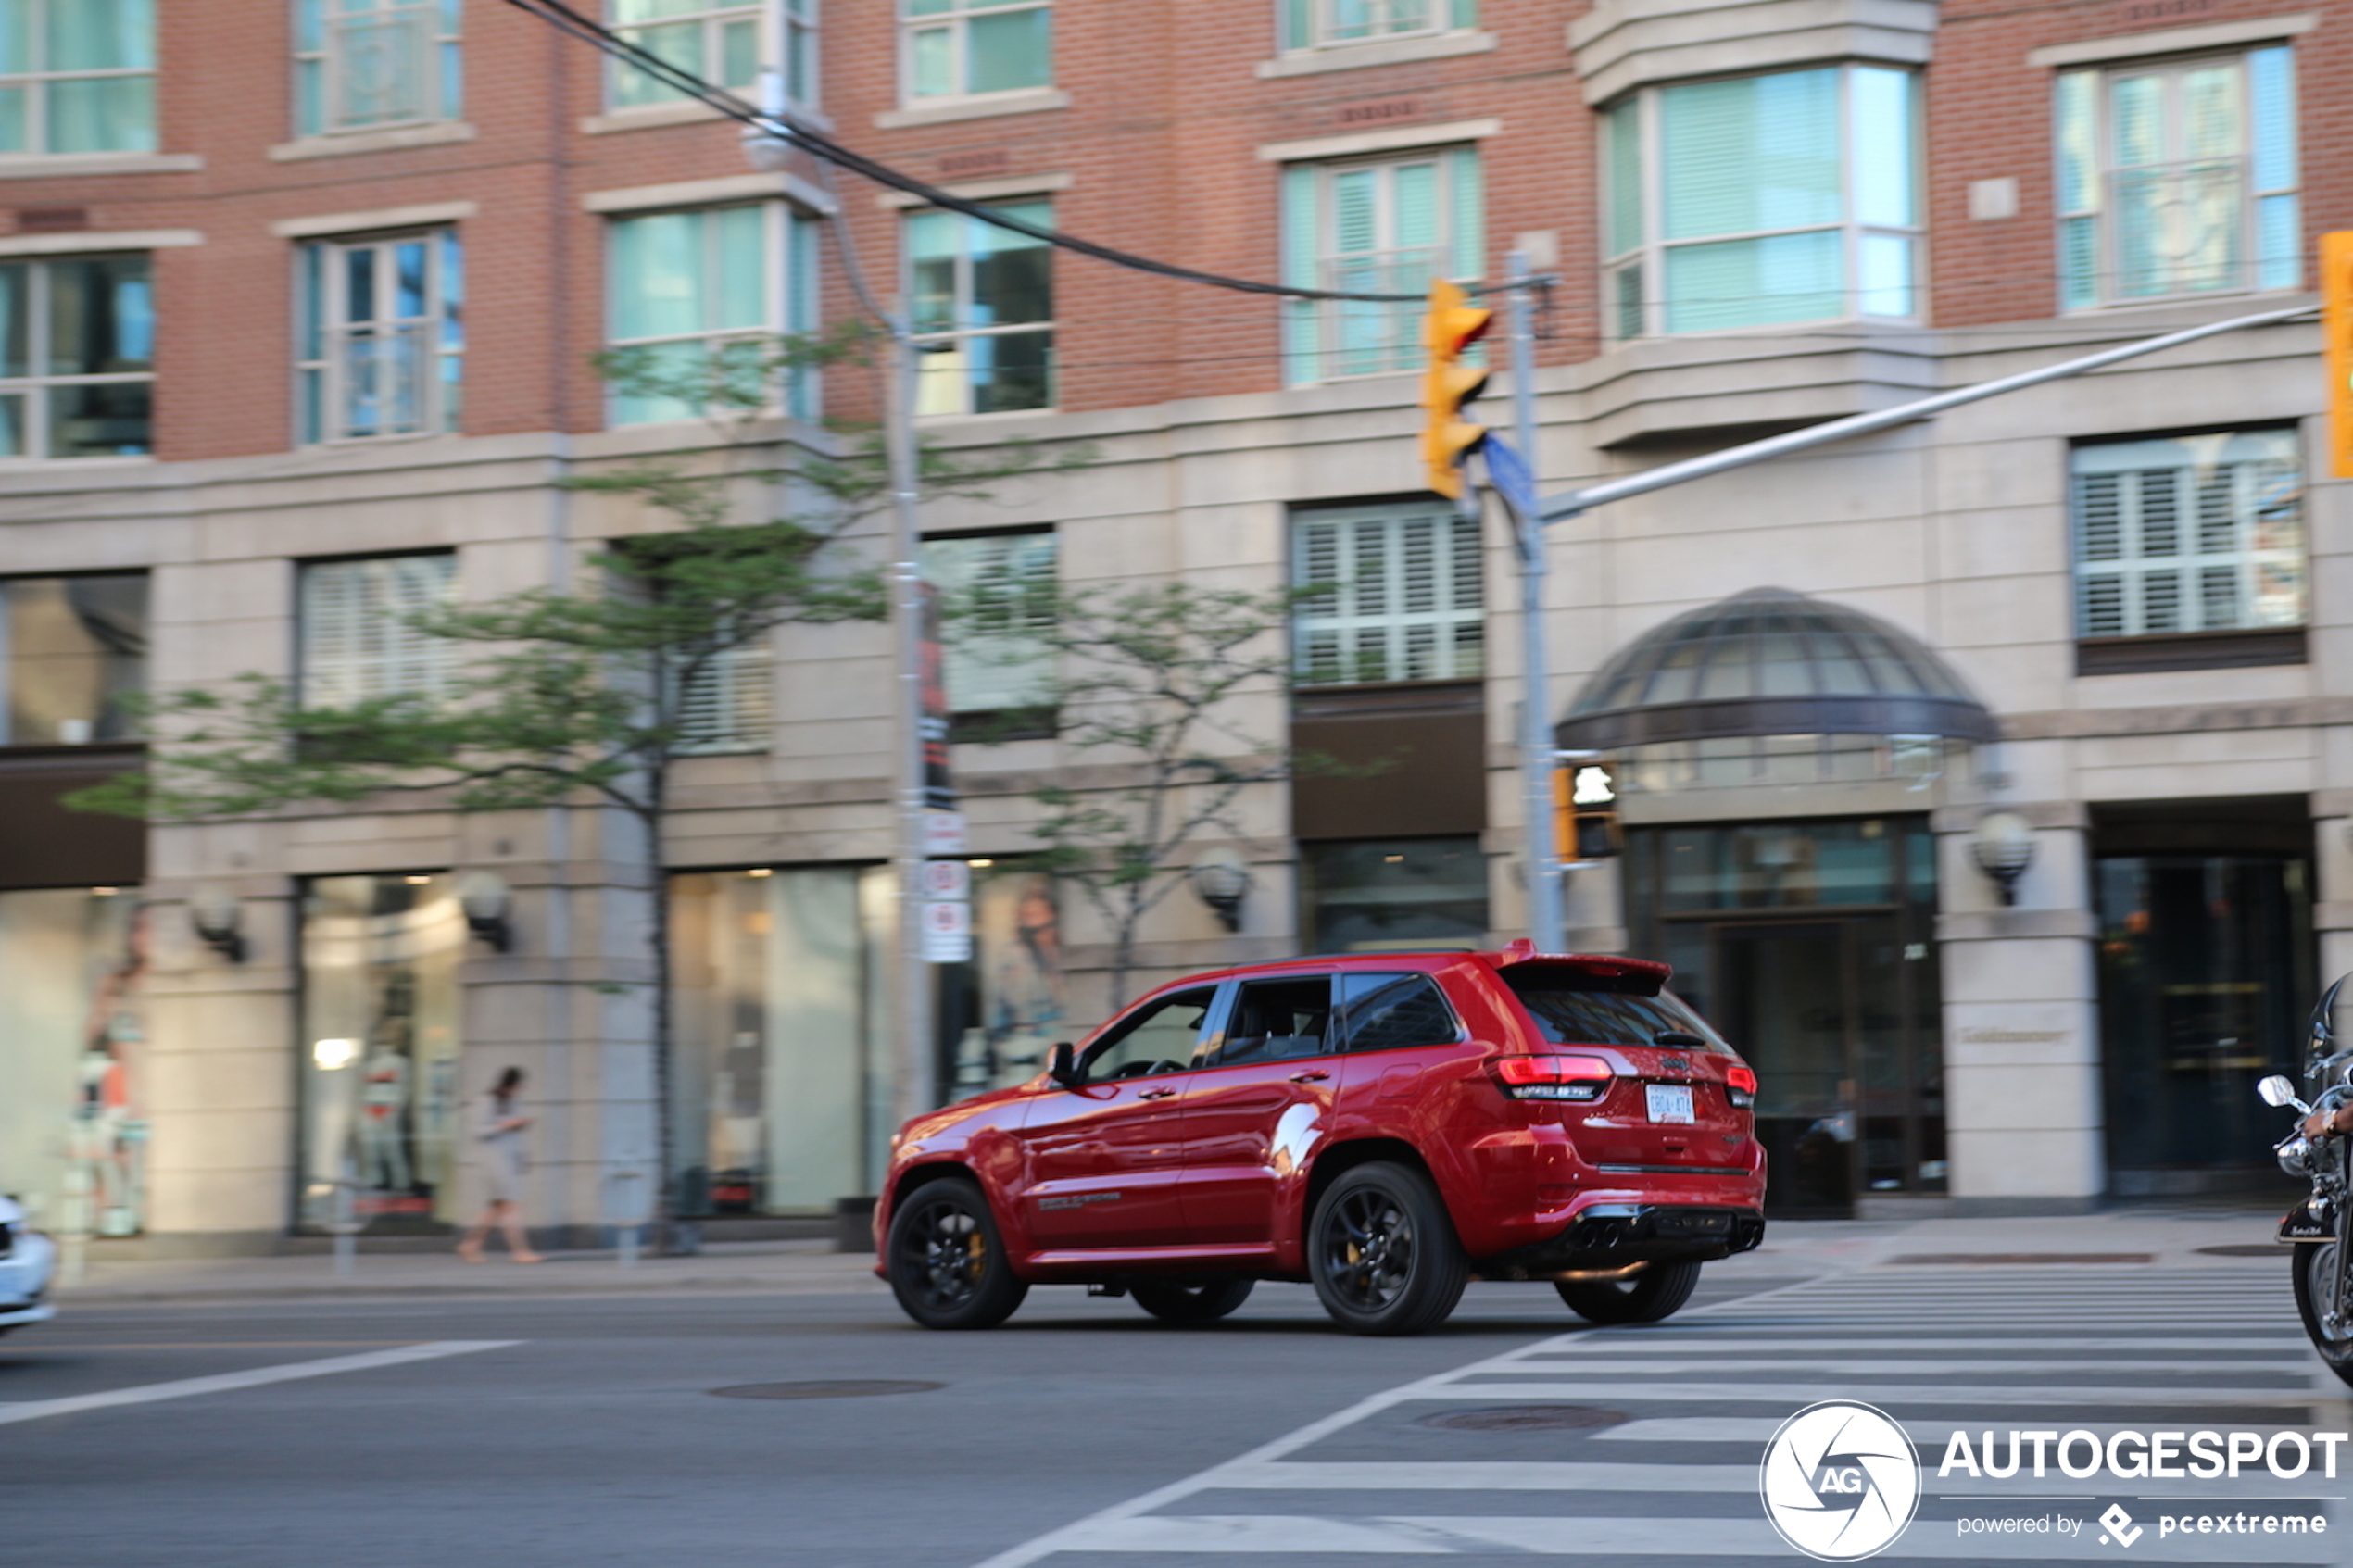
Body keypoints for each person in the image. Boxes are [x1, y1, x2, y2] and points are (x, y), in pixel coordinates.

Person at [457, 1067, 543, 1263]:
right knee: (511, 1206)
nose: (520, 1090)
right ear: (510, 1083)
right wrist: (504, 1125)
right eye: (518, 1085)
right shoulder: (485, 1101)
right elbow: (478, 1132)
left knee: (495, 1208)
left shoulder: (514, 1102)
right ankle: (520, 1251)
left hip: (509, 1160)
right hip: (493, 1161)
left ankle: (470, 1245)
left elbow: (516, 1136)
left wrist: (522, 1155)